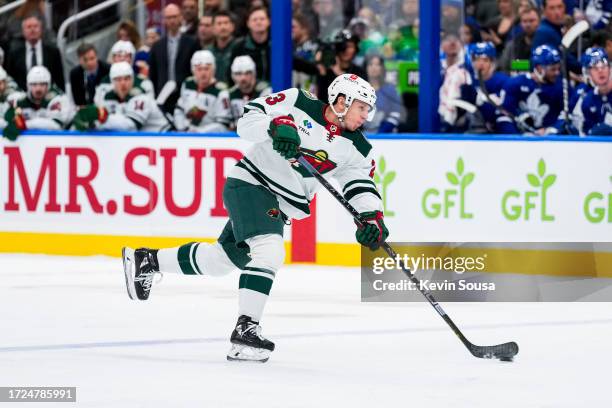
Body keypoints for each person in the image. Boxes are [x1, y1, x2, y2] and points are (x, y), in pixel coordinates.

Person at [121, 73, 388, 363]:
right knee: (269, 250)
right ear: (342, 100)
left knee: (220, 261)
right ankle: (245, 330)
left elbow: (360, 185)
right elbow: (247, 120)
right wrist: (275, 127)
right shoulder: (298, 101)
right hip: (251, 183)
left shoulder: (358, 148)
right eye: (362, 107)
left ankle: (146, 261)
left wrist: (371, 219)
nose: (366, 115)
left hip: (280, 205)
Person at [73, 62, 169, 133]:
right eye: (118, 79)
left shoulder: (141, 96)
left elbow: (130, 126)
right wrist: (91, 123)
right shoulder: (107, 98)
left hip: (167, 141)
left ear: (132, 80)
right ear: (112, 82)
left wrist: (102, 118)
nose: (123, 83)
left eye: (127, 78)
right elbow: (108, 123)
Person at [497, 44, 567, 134]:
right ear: (539, 68)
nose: (557, 73)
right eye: (553, 69)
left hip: (549, 141)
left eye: (558, 69)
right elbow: (504, 116)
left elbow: (565, 116)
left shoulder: (561, 86)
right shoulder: (515, 84)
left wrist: (551, 131)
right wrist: (517, 138)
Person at [149, 4, 200, 112]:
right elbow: (153, 74)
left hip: (186, 94)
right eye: (168, 17)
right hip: (162, 95)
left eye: (175, 16)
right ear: (164, 20)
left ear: (181, 17)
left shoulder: (192, 43)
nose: (172, 20)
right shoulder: (157, 46)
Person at [2, 66, 73, 141]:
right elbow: (4, 119)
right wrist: (12, 123)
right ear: (28, 86)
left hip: (62, 142)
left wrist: (25, 124)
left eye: (42, 84)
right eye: (34, 84)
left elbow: (55, 125)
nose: (38, 89)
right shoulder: (19, 100)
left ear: (48, 85)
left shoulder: (58, 99)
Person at [174, 50, 232, 132]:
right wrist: (182, 128)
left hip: (209, 139)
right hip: (186, 134)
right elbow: (179, 110)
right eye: (199, 69)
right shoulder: (187, 84)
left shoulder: (221, 91)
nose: (203, 73)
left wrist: (199, 132)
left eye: (206, 69)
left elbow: (223, 125)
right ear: (193, 70)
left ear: (213, 70)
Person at [6, 15, 64, 91]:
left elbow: (59, 78)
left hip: (49, 96)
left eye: (35, 26)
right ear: (23, 31)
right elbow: (10, 79)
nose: (32, 30)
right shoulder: (15, 54)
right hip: (23, 96)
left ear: (41, 30)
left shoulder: (53, 51)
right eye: (29, 27)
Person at [94, 40, 154, 106]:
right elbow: (99, 106)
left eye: (126, 56)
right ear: (113, 58)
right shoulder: (104, 82)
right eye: (119, 55)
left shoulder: (143, 83)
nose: (122, 59)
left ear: (132, 59)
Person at [571, 47, 612, 135]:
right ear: (588, 74)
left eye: (603, 66)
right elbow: (586, 136)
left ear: (610, 68)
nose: (600, 71)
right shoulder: (587, 101)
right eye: (595, 68)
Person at [363, 55, 405, 133]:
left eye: (377, 64)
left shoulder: (390, 89)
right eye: (370, 64)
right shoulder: (359, 89)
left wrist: (382, 131)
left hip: (385, 136)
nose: (374, 67)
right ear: (365, 67)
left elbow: (396, 113)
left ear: (382, 68)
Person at [229, 6, 271, 84]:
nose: (258, 22)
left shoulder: (278, 46)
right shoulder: (239, 47)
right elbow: (231, 73)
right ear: (248, 23)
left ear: (269, 21)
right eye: (254, 20)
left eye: (262, 19)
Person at [227, 55, 271, 129]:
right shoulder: (229, 94)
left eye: (247, 73)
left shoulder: (265, 92)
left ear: (253, 73)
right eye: (238, 74)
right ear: (233, 75)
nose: (243, 78)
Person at [499, 4, 540, 72]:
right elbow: (505, 65)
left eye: (532, 20)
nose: (528, 24)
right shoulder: (513, 44)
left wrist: (517, 64)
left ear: (539, 21)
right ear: (520, 23)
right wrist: (529, 65)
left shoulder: (545, 41)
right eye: (524, 21)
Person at [209, 10, 238, 85]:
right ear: (212, 28)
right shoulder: (207, 51)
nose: (223, 27)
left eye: (226, 23)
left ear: (232, 27)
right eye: (219, 23)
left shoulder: (240, 48)